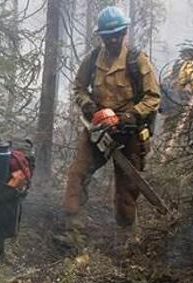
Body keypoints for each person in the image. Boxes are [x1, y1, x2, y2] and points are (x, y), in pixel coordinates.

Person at [58, 6, 160, 249]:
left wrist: (130, 116)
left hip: (129, 132)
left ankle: (125, 240)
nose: (113, 39)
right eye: (108, 35)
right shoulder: (92, 60)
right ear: (101, 36)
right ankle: (73, 230)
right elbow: (79, 88)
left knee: (127, 188)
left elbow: (153, 97)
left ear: (124, 32)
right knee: (77, 174)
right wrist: (89, 107)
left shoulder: (137, 60)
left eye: (117, 34)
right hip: (98, 130)